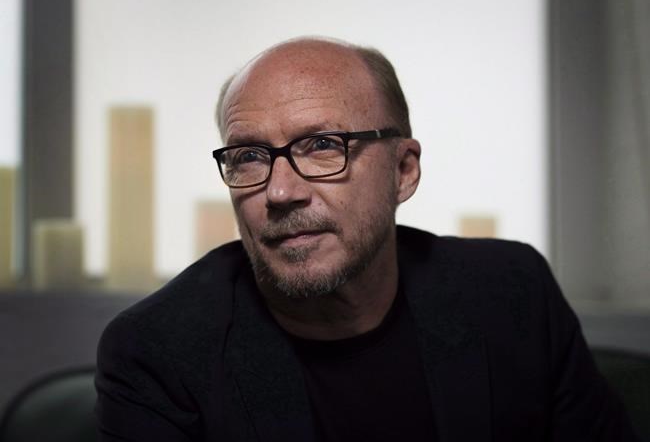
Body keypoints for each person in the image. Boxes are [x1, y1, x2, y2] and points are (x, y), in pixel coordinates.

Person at [95, 37, 640, 441]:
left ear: (403, 171)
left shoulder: (512, 291)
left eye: (323, 146)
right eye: (249, 156)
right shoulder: (157, 350)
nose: (280, 191)